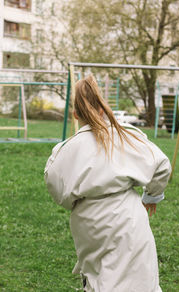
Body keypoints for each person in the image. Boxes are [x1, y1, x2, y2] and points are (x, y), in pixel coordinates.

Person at [44, 74, 171, 292]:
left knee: (97, 273)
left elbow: (55, 184)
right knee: (138, 274)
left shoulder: (64, 150)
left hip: (87, 219)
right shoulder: (126, 137)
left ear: (75, 114)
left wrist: (74, 201)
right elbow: (161, 166)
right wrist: (151, 195)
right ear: (103, 109)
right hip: (126, 215)